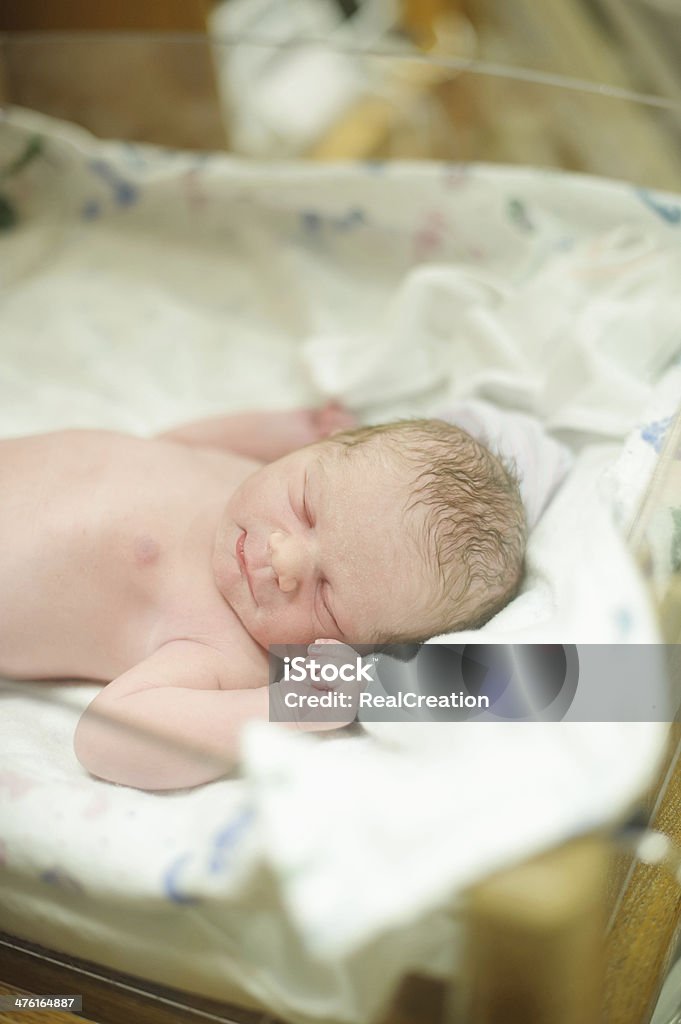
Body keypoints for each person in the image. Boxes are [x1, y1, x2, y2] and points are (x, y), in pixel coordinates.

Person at [0, 406, 525, 790]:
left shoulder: (228, 646)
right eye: (306, 507)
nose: (285, 559)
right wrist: (275, 429)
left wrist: (285, 706)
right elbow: (166, 444)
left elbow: (105, 740)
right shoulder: (247, 476)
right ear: (318, 449)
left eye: (327, 598)